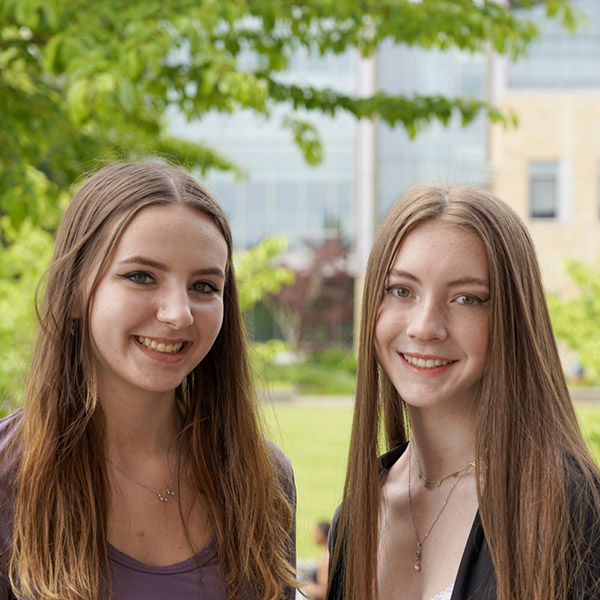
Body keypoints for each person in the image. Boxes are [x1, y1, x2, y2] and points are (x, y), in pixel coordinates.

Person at [0, 162, 297, 600]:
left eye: (204, 286)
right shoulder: (9, 474)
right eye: (140, 276)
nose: (178, 314)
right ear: (76, 291)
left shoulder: (263, 477)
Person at [327, 184, 600, 600]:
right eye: (401, 290)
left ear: (512, 318)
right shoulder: (357, 514)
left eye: (467, 298)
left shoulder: (567, 505)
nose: (424, 326)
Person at [302, 521, 330, 600]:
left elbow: (324, 592)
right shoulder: (326, 553)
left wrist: (303, 586)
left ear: (324, 534)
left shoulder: (327, 557)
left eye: (317, 532)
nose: (313, 535)